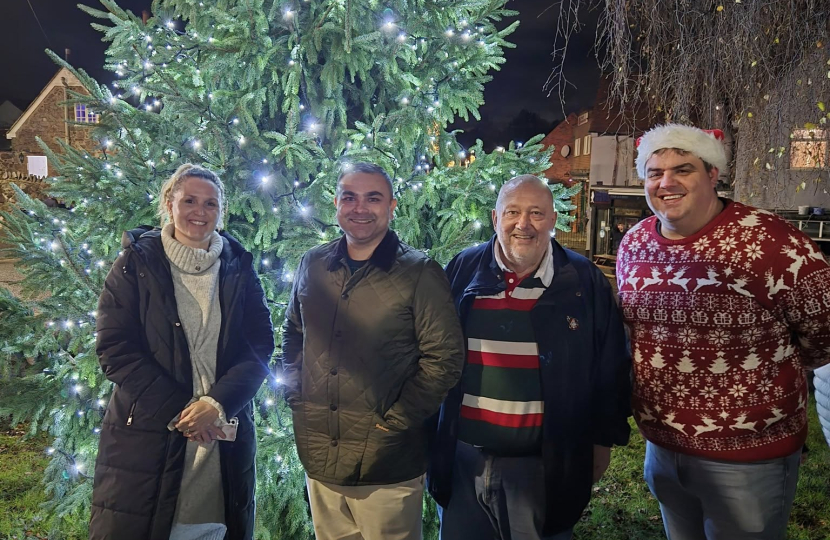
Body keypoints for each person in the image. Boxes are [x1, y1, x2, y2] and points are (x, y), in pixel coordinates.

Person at [617, 124, 830, 540]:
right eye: (654, 172)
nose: (667, 183)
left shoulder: (772, 242)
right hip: (662, 447)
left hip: (748, 459)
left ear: (712, 174)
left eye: (683, 169)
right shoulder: (634, 244)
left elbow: (823, 334)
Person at [429, 174, 632, 540]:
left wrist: (603, 441)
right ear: (495, 218)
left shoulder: (581, 281)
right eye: (513, 212)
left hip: (543, 467)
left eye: (537, 213)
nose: (523, 224)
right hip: (463, 461)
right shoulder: (463, 268)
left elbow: (611, 366)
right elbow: (434, 354)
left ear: (554, 220)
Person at [90, 164, 274, 540]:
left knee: (215, 525)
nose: (199, 212)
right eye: (189, 200)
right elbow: (116, 348)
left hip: (221, 437)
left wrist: (217, 405)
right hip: (151, 434)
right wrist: (185, 412)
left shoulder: (238, 266)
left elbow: (259, 345)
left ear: (221, 212)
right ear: (168, 204)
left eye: (210, 204)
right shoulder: (136, 264)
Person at [282, 162, 465, 540]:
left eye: (373, 198)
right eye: (349, 197)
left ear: (392, 206)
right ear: (336, 203)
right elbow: (293, 333)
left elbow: (444, 360)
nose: (359, 208)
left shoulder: (419, 273)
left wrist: (394, 422)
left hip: (387, 460)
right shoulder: (313, 264)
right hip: (319, 453)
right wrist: (294, 394)